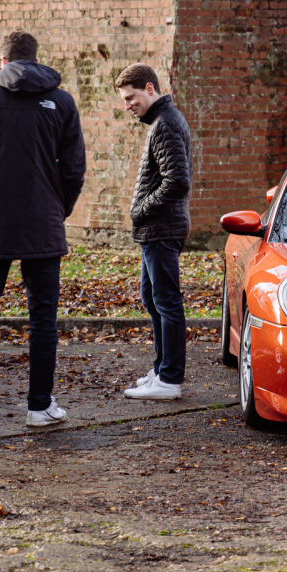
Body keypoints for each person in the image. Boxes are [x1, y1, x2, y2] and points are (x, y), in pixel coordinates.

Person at [0, 31, 86, 436]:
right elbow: (73, 168)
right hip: (43, 223)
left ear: (2, 60)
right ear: (36, 59)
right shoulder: (61, 102)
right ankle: (39, 407)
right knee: (43, 317)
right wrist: (59, 210)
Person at [114, 63, 192, 401]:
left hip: (162, 228)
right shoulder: (163, 121)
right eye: (124, 99)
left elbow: (177, 182)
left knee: (167, 303)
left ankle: (170, 379)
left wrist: (140, 209)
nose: (127, 104)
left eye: (131, 97)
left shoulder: (166, 124)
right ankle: (162, 370)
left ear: (149, 88)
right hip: (156, 229)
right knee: (153, 299)